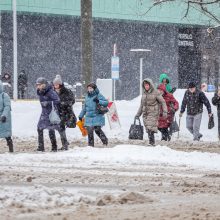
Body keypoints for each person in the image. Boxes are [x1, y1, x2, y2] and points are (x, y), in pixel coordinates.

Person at [135, 78, 167, 146]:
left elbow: (163, 101)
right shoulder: (144, 94)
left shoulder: (156, 92)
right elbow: (141, 105)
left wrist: (165, 111)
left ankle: (151, 142)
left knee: (150, 127)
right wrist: (138, 114)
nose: (146, 86)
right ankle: (152, 142)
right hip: (145, 113)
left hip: (153, 112)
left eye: (147, 85)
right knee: (148, 127)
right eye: (145, 85)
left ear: (150, 85)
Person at [79, 82, 108, 147]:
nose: (89, 90)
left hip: (97, 116)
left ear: (94, 89)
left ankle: (105, 140)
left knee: (97, 130)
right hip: (89, 117)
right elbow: (85, 107)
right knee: (89, 132)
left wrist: (98, 101)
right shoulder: (87, 96)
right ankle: (90, 146)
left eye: (91, 88)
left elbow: (106, 103)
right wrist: (81, 115)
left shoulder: (98, 95)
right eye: (88, 88)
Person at [36, 77, 60, 152]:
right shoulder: (40, 92)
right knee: (39, 128)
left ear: (44, 85)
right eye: (37, 85)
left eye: (39, 85)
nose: (38, 86)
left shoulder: (50, 92)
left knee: (51, 130)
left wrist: (48, 103)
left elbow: (57, 100)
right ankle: (41, 147)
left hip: (50, 114)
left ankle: (54, 147)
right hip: (44, 113)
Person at [53, 75, 76, 150]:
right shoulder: (53, 92)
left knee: (61, 127)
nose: (55, 86)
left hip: (66, 112)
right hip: (57, 112)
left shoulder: (66, 91)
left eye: (56, 84)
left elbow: (72, 100)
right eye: (54, 84)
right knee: (60, 128)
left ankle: (65, 144)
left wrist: (63, 103)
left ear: (60, 84)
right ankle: (65, 142)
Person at [0, 80, 13, 152]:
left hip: (4, 118)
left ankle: (11, 149)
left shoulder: (4, 95)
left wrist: (4, 115)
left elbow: (7, 106)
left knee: (7, 135)